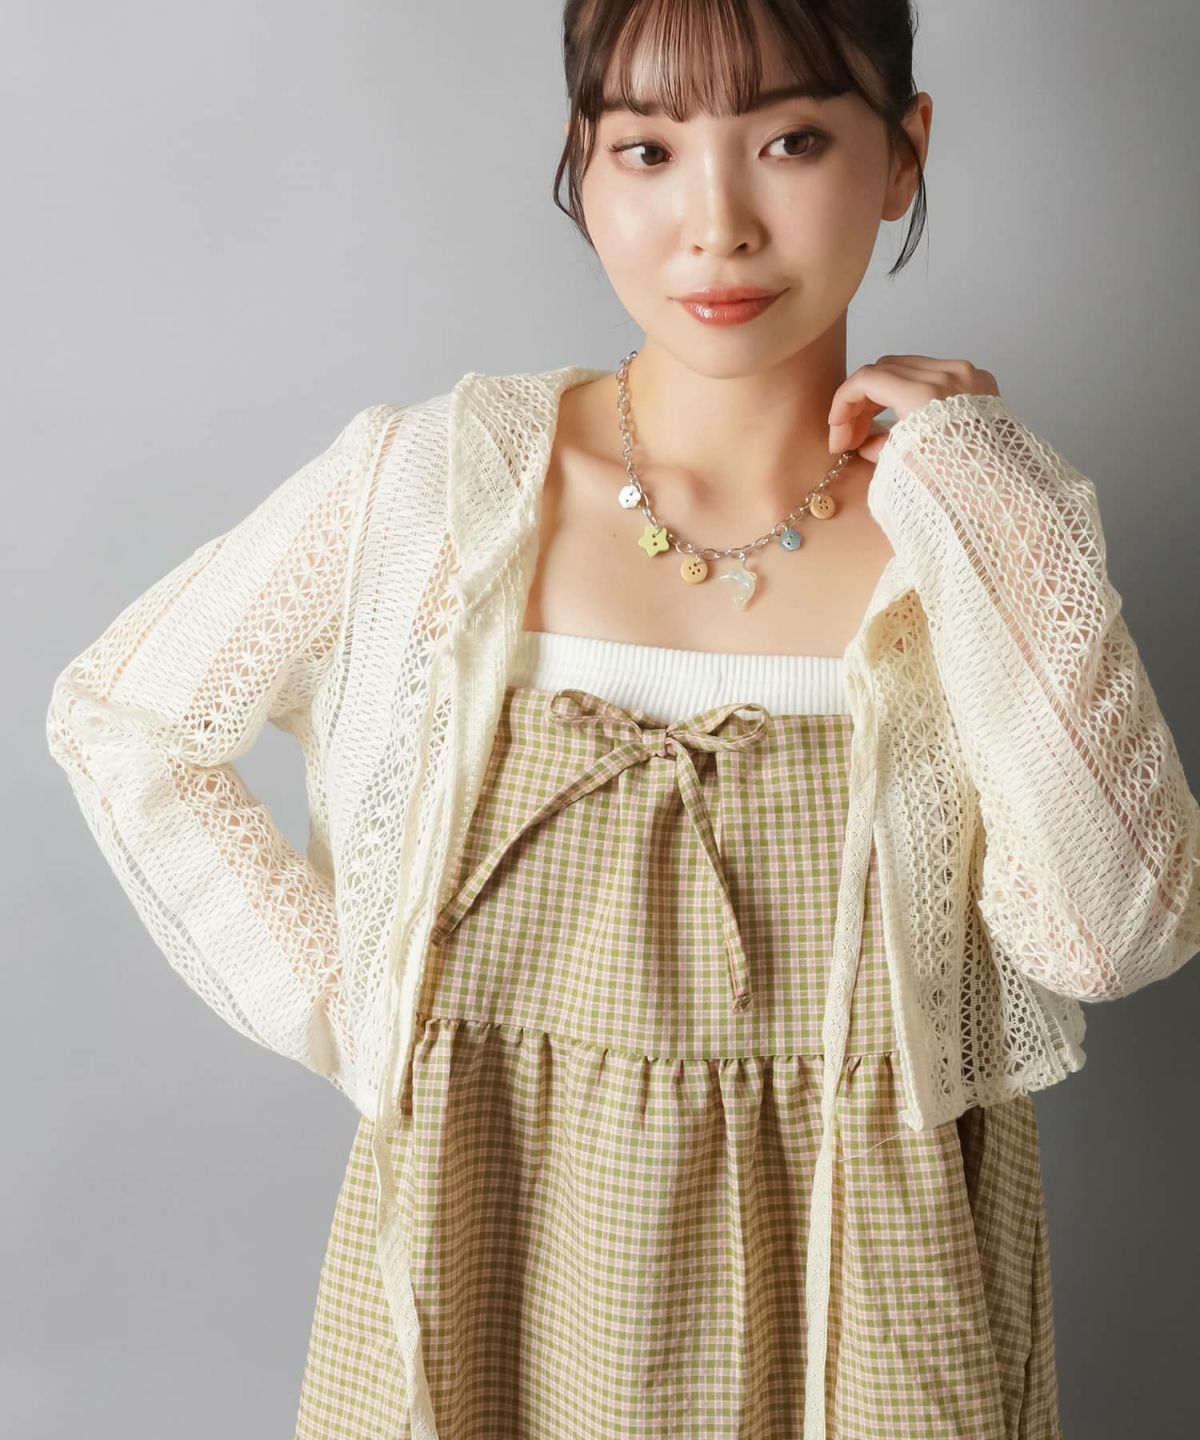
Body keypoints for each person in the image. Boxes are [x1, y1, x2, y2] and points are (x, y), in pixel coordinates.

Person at [46, 3, 1198, 1438]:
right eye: (648, 150)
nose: (716, 226)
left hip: (866, 1299)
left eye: (791, 140)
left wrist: (982, 487)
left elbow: (1110, 936)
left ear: (904, 155)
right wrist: (353, 1006)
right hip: (490, 1258)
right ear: (580, 166)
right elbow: (128, 723)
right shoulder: (437, 493)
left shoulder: (967, 532)